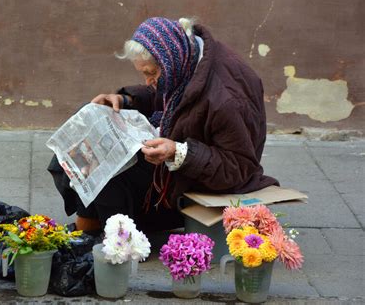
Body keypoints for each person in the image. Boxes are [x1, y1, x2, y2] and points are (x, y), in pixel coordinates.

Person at [48, 16, 278, 233]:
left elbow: (238, 167)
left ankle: (113, 236)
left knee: (112, 165)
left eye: (151, 73)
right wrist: (127, 100)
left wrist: (178, 152)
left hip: (199, 182)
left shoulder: (225, 100)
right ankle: (92, 222)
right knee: (88, 130)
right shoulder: (187, 57)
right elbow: (164, 93)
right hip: (184, 152)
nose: (148, 81)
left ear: (170, 63)